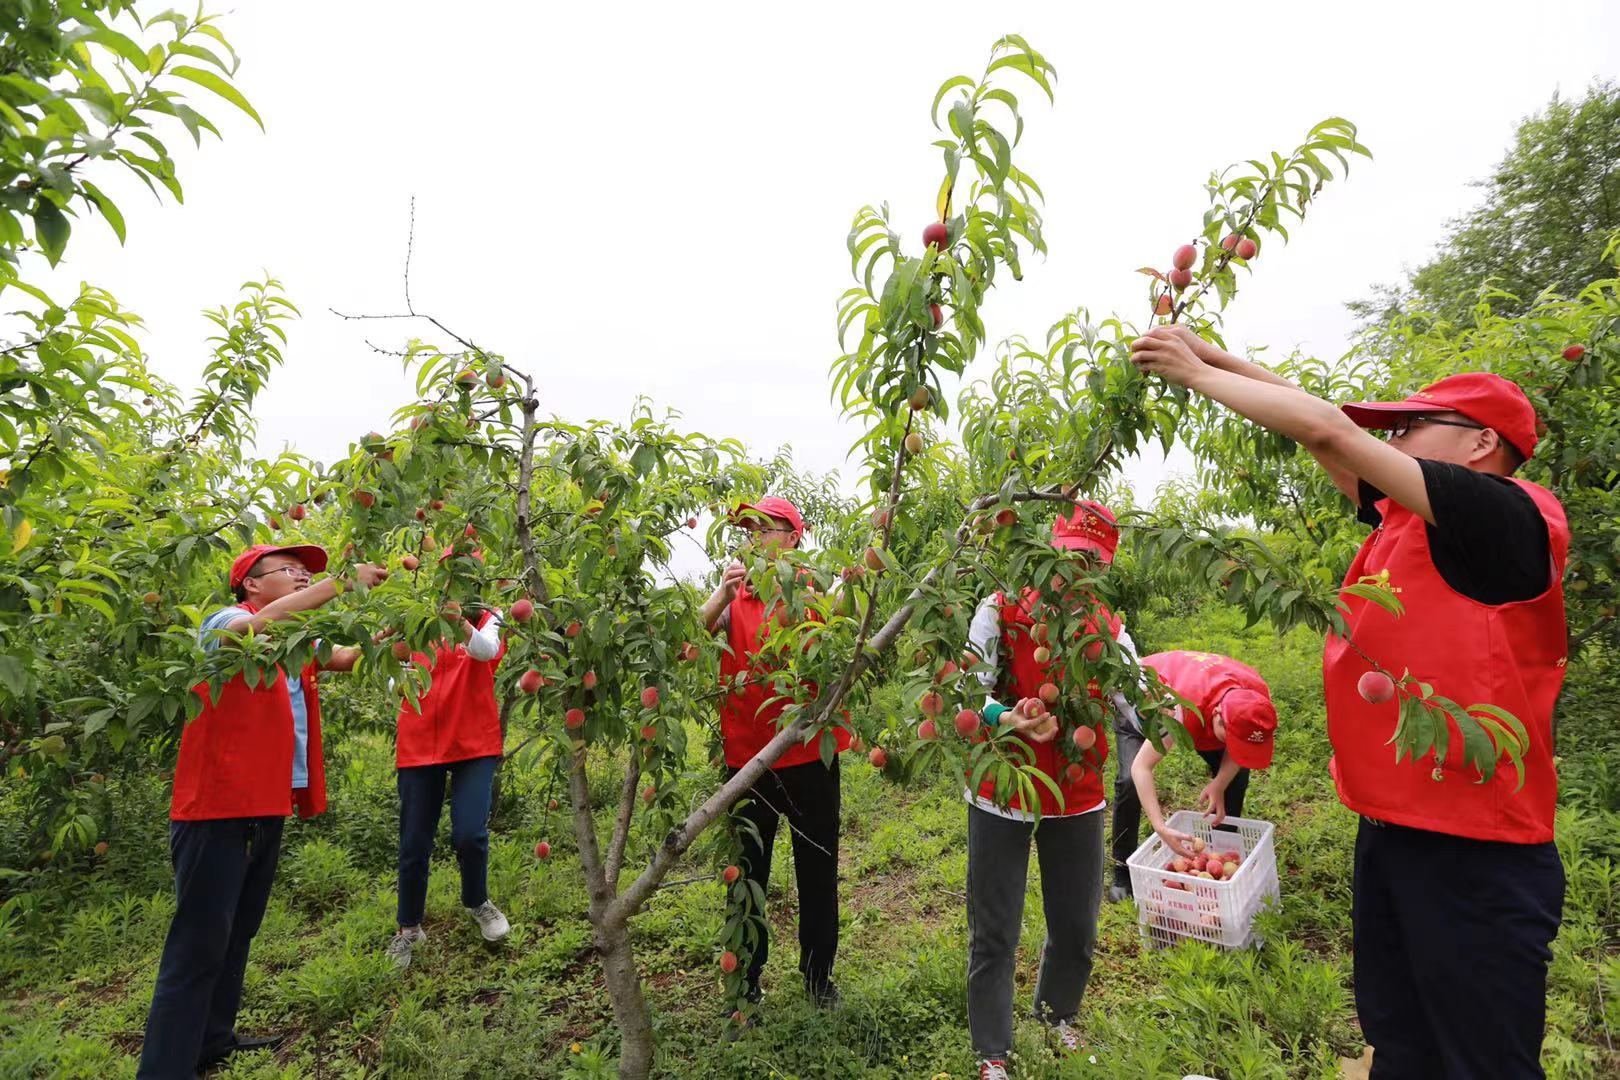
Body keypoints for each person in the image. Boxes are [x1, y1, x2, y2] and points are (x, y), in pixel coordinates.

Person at [1131, 325, 1567, 1080]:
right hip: (1393, 831)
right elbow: (1329, 436)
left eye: (1412, 425)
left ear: (1480, 445)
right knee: (1397, 1037)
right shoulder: (1411, 519)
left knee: (1481, 1061)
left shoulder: (1506, 517)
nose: (1393, 438)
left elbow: (1329, 426)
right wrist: (1214, 356)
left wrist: (1191, 377)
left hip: (1478, 851)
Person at [139, 544, 387, 1079]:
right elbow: (258, 627)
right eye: (291, 571)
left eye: (308, 574)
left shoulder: (293, 641)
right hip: (217, 809)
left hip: (265, 802)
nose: (302, 579)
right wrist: (341, 584)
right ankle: (163, 1069)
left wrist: (399, 639)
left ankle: (213, 1039)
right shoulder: (226, 621)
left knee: (238, 930)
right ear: (251, 584)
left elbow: (343, 658)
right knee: (198, 944)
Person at [962, 501, 1138, 1080]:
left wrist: (1168, 705)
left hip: (1075, 789)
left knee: (1077, 926)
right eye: (1073, 553)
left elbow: (1136, 705)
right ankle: (992, 1050)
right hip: (1003, 786)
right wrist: (1009, 717)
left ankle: (1056, 1013)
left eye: (1094, 560)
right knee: (996, 927)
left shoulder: (1109, 630)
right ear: (1051, 548)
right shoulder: (1001, 608)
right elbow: (969, 696)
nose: (1081, 568)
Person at [698, 495, 851, 1013]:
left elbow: (842, 656)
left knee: (817, 870)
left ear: (794, 537)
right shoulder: (733, 596)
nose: (756, 536)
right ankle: (746, 982)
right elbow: (689, 644)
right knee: (747, 876)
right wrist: (721, 593)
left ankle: (818, 979)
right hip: (749, 762)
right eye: (749, 528)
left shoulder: (813, 592)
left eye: (767, 527)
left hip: (810, 759)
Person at [386, 564, 510, 969]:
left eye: (465, 580)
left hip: (473, 741)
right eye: (450, 579)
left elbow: (486, 652)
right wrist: (396, 658)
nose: (456, 587)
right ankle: (408, 927)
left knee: (470, 834)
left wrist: (459, 624)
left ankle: (477, 901)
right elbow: (392, 682)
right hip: (420, 743)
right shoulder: (415, 623)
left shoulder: (490, 617)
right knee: (414, 841)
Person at [1107, 649, 1277, 902]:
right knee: (1130, 783)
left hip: (1198, 695)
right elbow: (1141, 768)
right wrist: (1160, 826)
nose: (1235, 745)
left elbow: (1240, 747)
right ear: (1218, 715)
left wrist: (1219, 783)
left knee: (1234, 777)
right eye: (1230, 738)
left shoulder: (1257, 699)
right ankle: (1122, 867)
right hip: (1143, 699)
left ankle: (1223, 851)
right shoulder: (1179, 709)